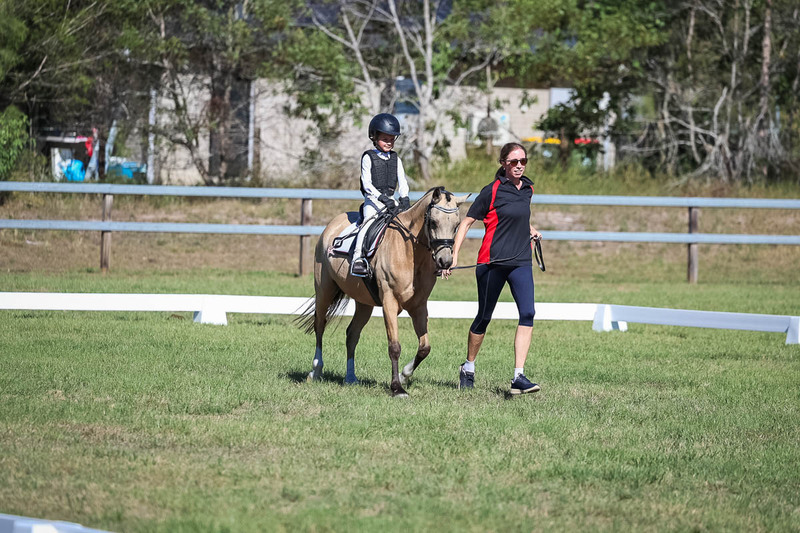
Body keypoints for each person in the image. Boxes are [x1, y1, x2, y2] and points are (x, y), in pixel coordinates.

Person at [442, 142, 543, 395]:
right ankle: (468, 367)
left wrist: (530, 229)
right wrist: (454, 255)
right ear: (503, 163)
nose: (519, 166)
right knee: (484, 317)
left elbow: (517, 217)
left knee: (528, 313)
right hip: (492, 263)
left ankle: (519, 376)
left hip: (521, 261)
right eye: (514, 161)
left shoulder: (528, 189)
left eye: (523, 161)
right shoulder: (491, 191)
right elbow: (466, 223)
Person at [350, 113, 411, 277]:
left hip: (391, 200)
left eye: (392, 139)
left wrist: (404, 197)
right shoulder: (368, 157)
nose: (389, 142)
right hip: (373, 201)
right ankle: (358, 258)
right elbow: (367, 184)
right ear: (374, 137)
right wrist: (381, 197)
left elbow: (402, 180)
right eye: (385, 139)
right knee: (367, 224)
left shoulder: (396, 159)